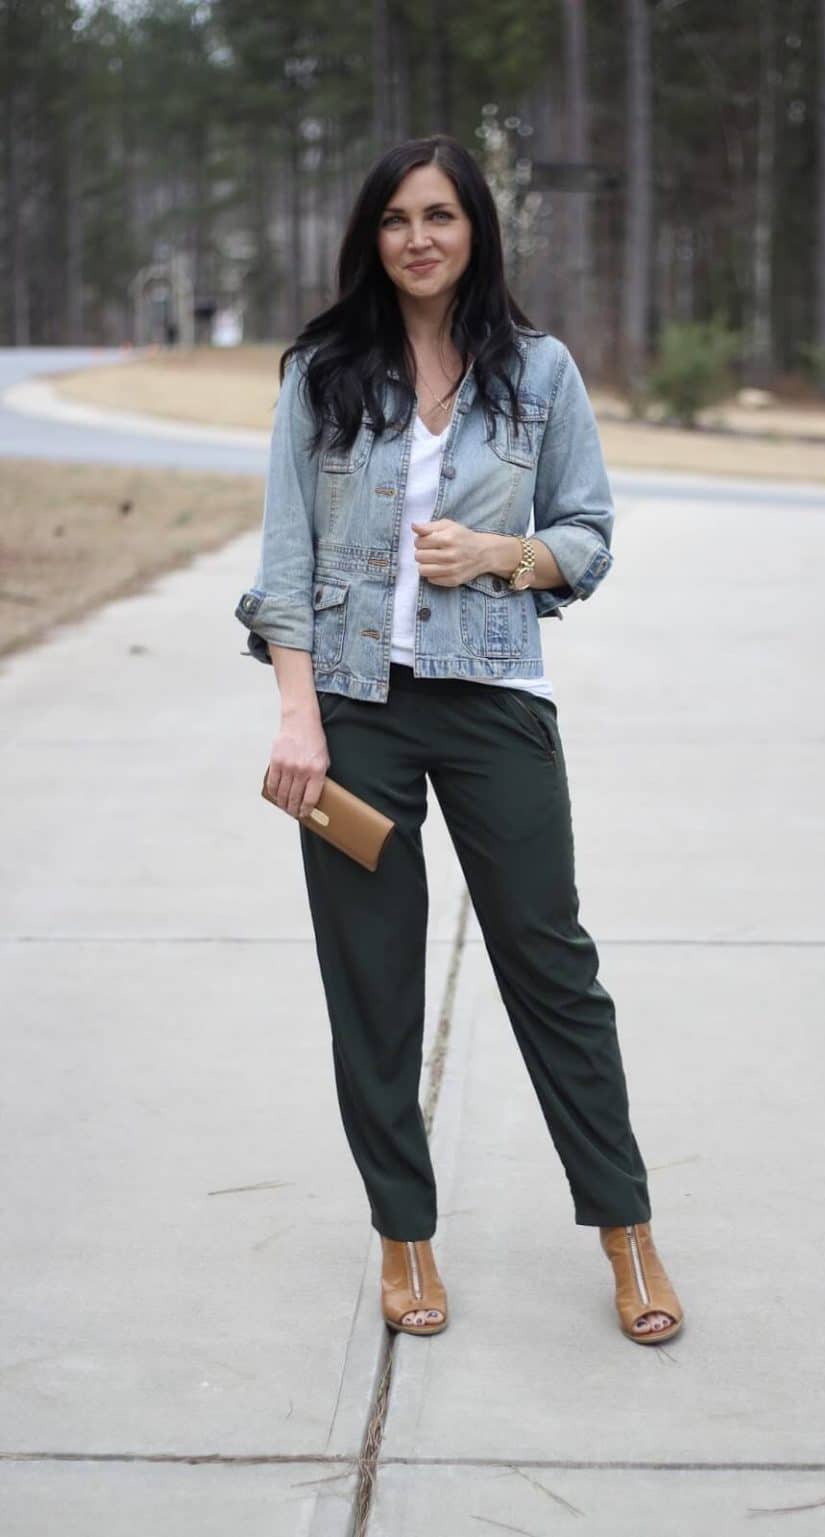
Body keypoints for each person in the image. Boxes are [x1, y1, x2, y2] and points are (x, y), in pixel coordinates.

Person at [234, 133, 683, 1347]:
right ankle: (404, 1234)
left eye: (439, 215)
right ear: (369, 238)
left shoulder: (537, 373)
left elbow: (587, 532)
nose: (418, 237)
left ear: (475, 229)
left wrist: (502, 555)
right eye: (395, 219)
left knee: (550, 964)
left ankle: (626, 1230)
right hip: (355, 710)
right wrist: (298, 718)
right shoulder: (323, 372)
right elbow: (285, 562)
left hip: (495, 700)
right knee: (372, 984)